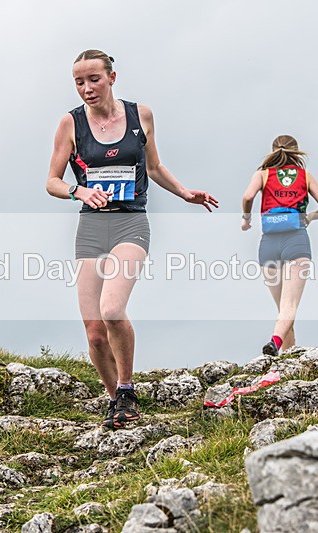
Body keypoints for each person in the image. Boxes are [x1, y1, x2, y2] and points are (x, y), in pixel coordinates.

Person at [46, 49, 218, 429]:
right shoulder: (70, 125)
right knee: (93, 333)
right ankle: (118, 402)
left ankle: (126, 386)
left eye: (94, 79)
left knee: (111, 310)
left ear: (112, 77)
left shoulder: (141, 115)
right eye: (79, 82)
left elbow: (154, 166)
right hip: (91, 226)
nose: (87, 89)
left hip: (130, 225)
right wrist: (80, 192)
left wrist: (184, 193)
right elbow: (52, 182)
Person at [240, 135, 318, 355]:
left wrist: (246, 219)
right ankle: (274, 343)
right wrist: (309, 217)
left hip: (268, 244)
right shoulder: (306, 177)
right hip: (296, 241)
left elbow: (248, 196)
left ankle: (289, 357)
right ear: (296, 152)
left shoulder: (262, 175)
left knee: (283, 309)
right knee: (289, 307)